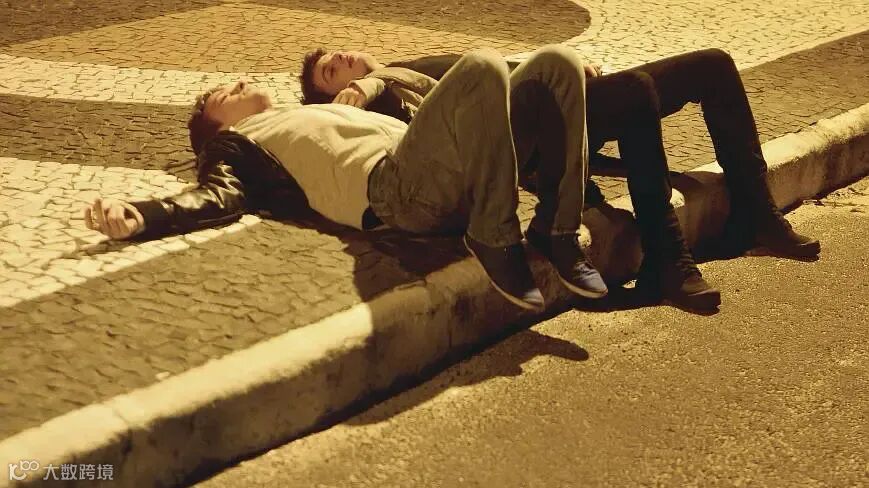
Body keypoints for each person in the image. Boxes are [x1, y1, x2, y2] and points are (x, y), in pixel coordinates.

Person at [84, 46, 608, 312]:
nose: (240, 81)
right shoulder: (237, 145)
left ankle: (556, 230)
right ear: (217, 126)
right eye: (223, 94)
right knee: (481, 65)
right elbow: (217, 196)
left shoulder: (310, 111)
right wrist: (144, 214)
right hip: (399, 191)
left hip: (448, 170)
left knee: (557, 63)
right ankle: (493, 237)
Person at [299, 47, 821, 311]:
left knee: (713, 64)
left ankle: (757, 213)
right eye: (330, 71)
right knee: (636, 92)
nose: (340, 59)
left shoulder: (410, 66)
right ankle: (666, 255)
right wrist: (365, 88)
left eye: (338, 52)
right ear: (335, 95)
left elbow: (510, 69)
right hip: (545, 136)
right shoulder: (380, 109)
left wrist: (570, 63)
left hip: (569, 96)